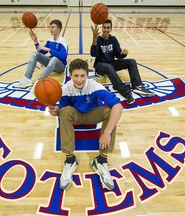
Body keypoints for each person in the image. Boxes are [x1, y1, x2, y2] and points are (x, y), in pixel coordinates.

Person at [48, 58, 123, 190]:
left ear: (87, 76)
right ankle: (70, 160)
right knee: (64, 111)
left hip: (92, 115)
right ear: (70, 75)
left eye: (83, 76)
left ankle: (101, 160)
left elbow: (118, 106)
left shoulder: (94, 86)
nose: (79, 79)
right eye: (76, 76)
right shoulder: (65, 89)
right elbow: (66, 113)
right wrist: (57, 112)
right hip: (76, 115)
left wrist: (106, 133)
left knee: (110, 111)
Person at [90, 19, 154, 104]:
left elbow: (118, 55)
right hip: (100, 65)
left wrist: (123, 54)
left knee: (132, 61)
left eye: (108, 28)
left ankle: (137, 86)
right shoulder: (98, 39)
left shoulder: (113, 39)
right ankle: (126, 92)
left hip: (111, 64)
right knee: (109, 67)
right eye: (104, 27)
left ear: (111, 29)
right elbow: (93, 54)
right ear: (102, 28)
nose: (106, 29)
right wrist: (94, 38)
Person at [14, 19, 68, 88]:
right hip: (51, 63)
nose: (51, 29)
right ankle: (26, 79)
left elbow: (63, 56)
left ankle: (40, 82)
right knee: (35, 54)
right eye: (50, 27)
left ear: (59, 29)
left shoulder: (63, 42)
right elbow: (41, 52)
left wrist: (49, 50)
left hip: (60, 66)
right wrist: (36, 41)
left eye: (53, 27)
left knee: (54, 59)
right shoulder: (50, 40)